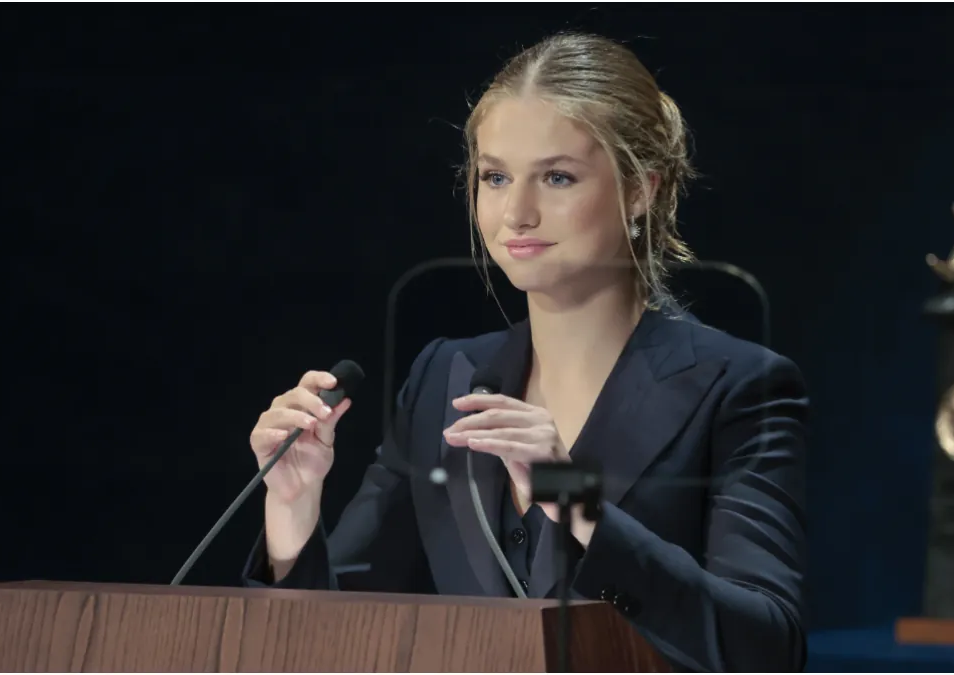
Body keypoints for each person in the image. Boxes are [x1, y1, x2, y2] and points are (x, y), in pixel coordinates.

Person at [242, 32, 809, 672]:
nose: (516, 212)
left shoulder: (739, 385)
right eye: (495, 177)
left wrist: (574, 496)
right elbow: (337, 639)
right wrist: (291, 507)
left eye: (557, 177)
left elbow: (766, 645)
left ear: (639, 191)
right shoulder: (442, 378)